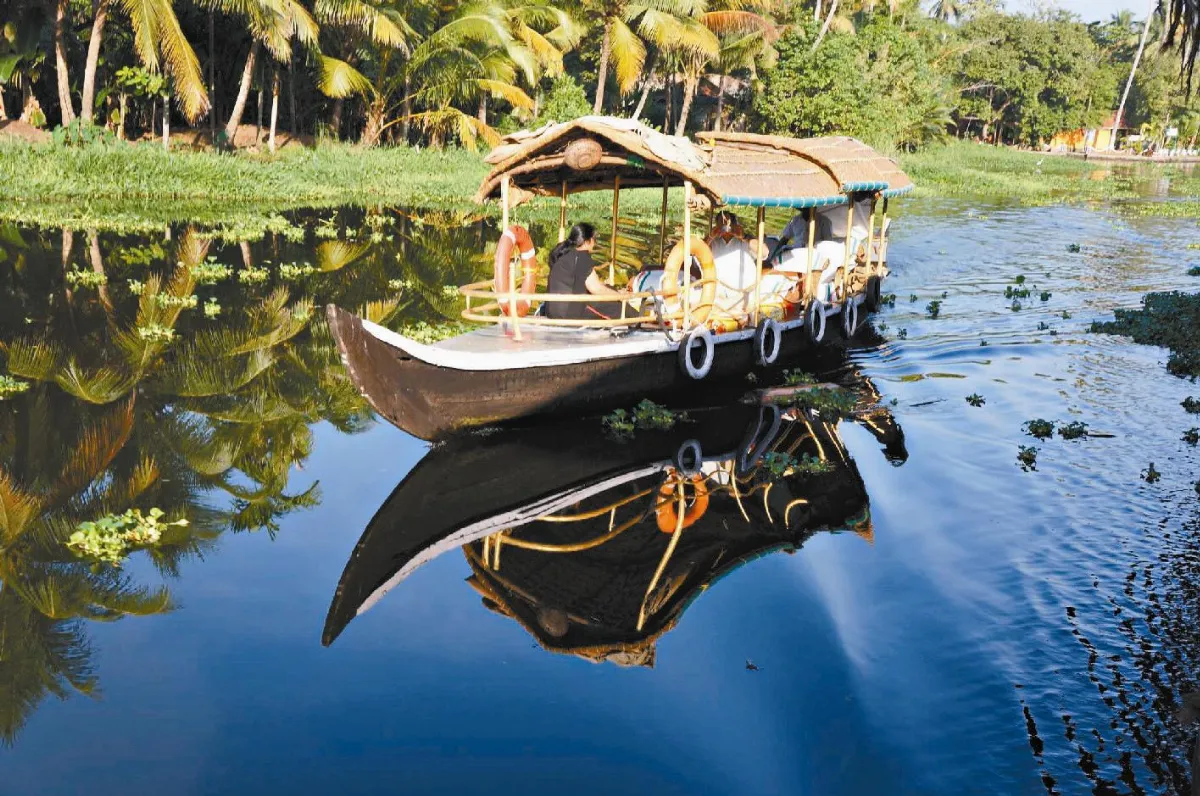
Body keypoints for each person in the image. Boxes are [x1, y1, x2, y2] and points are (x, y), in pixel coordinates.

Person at [545, 223, 631, 321]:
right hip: (567, 314)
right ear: (587, 241)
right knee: (618, 307)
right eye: (594, 240)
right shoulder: (582, 257)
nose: (595, 243)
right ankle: (642, 320)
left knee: (609, 289)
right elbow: (596, 289)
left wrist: (615, 292)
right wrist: (622, 297)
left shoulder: (563, 253)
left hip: (552, 311)